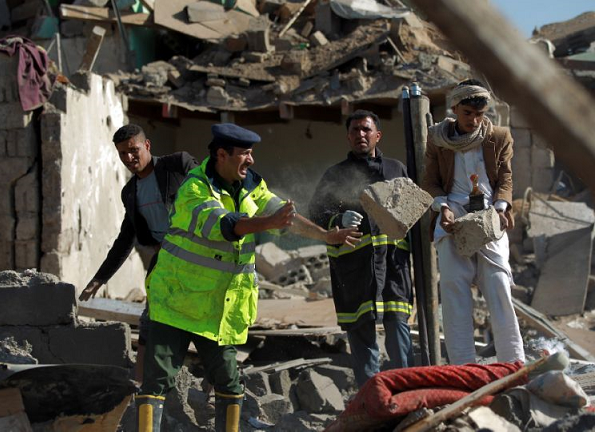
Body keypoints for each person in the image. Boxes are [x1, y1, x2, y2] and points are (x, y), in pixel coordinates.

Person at [137, 123, 361, 432]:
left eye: (252, 153)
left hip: (216, 309)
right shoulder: (195, 188)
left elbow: (284, 214)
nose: (251, 160)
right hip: (177, 303)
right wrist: (269, 222)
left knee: (229, 383)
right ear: (222, 154)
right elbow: (225, 225)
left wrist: (325, 235)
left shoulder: (251, 184)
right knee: (156, 382)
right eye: (245, 154)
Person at [79, 124, 198, 381]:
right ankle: (139, 386)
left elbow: (210, 191)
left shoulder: (178, 164)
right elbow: (125, 238)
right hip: (165, 262)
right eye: (122, 154)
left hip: (200, 259)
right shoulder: (130, 192)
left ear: (147, 145)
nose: (128, 158)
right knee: (149, 323)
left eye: (133, 150)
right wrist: (100, 278)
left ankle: (217, 393)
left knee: (205, 328)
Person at [308, 110, 415, 388]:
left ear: (378, 135)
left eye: (366, 130)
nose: (360, 135)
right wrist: (336, 219)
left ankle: (405, 393)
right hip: (355, 269)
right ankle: (372, 398)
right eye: (355, 130)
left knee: (398, 327)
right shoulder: (336, 174)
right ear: (348, 137)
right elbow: (316, 214)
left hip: (393, 266)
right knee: (361, 332)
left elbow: (413, 211)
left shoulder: (395, 169)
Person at [422, 79, 525, 365]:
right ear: (454, 108)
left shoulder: (499, 137)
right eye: (468, 113)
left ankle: (513, 363)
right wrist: (442, 207)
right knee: (454, 288)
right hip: (452, 215)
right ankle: (463, 366)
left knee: (498, 284)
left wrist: (502, 208)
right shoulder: (438, 139)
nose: (474, 120)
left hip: (490, 216)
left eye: (480, 114)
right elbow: (430, 181)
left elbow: (505, 177)